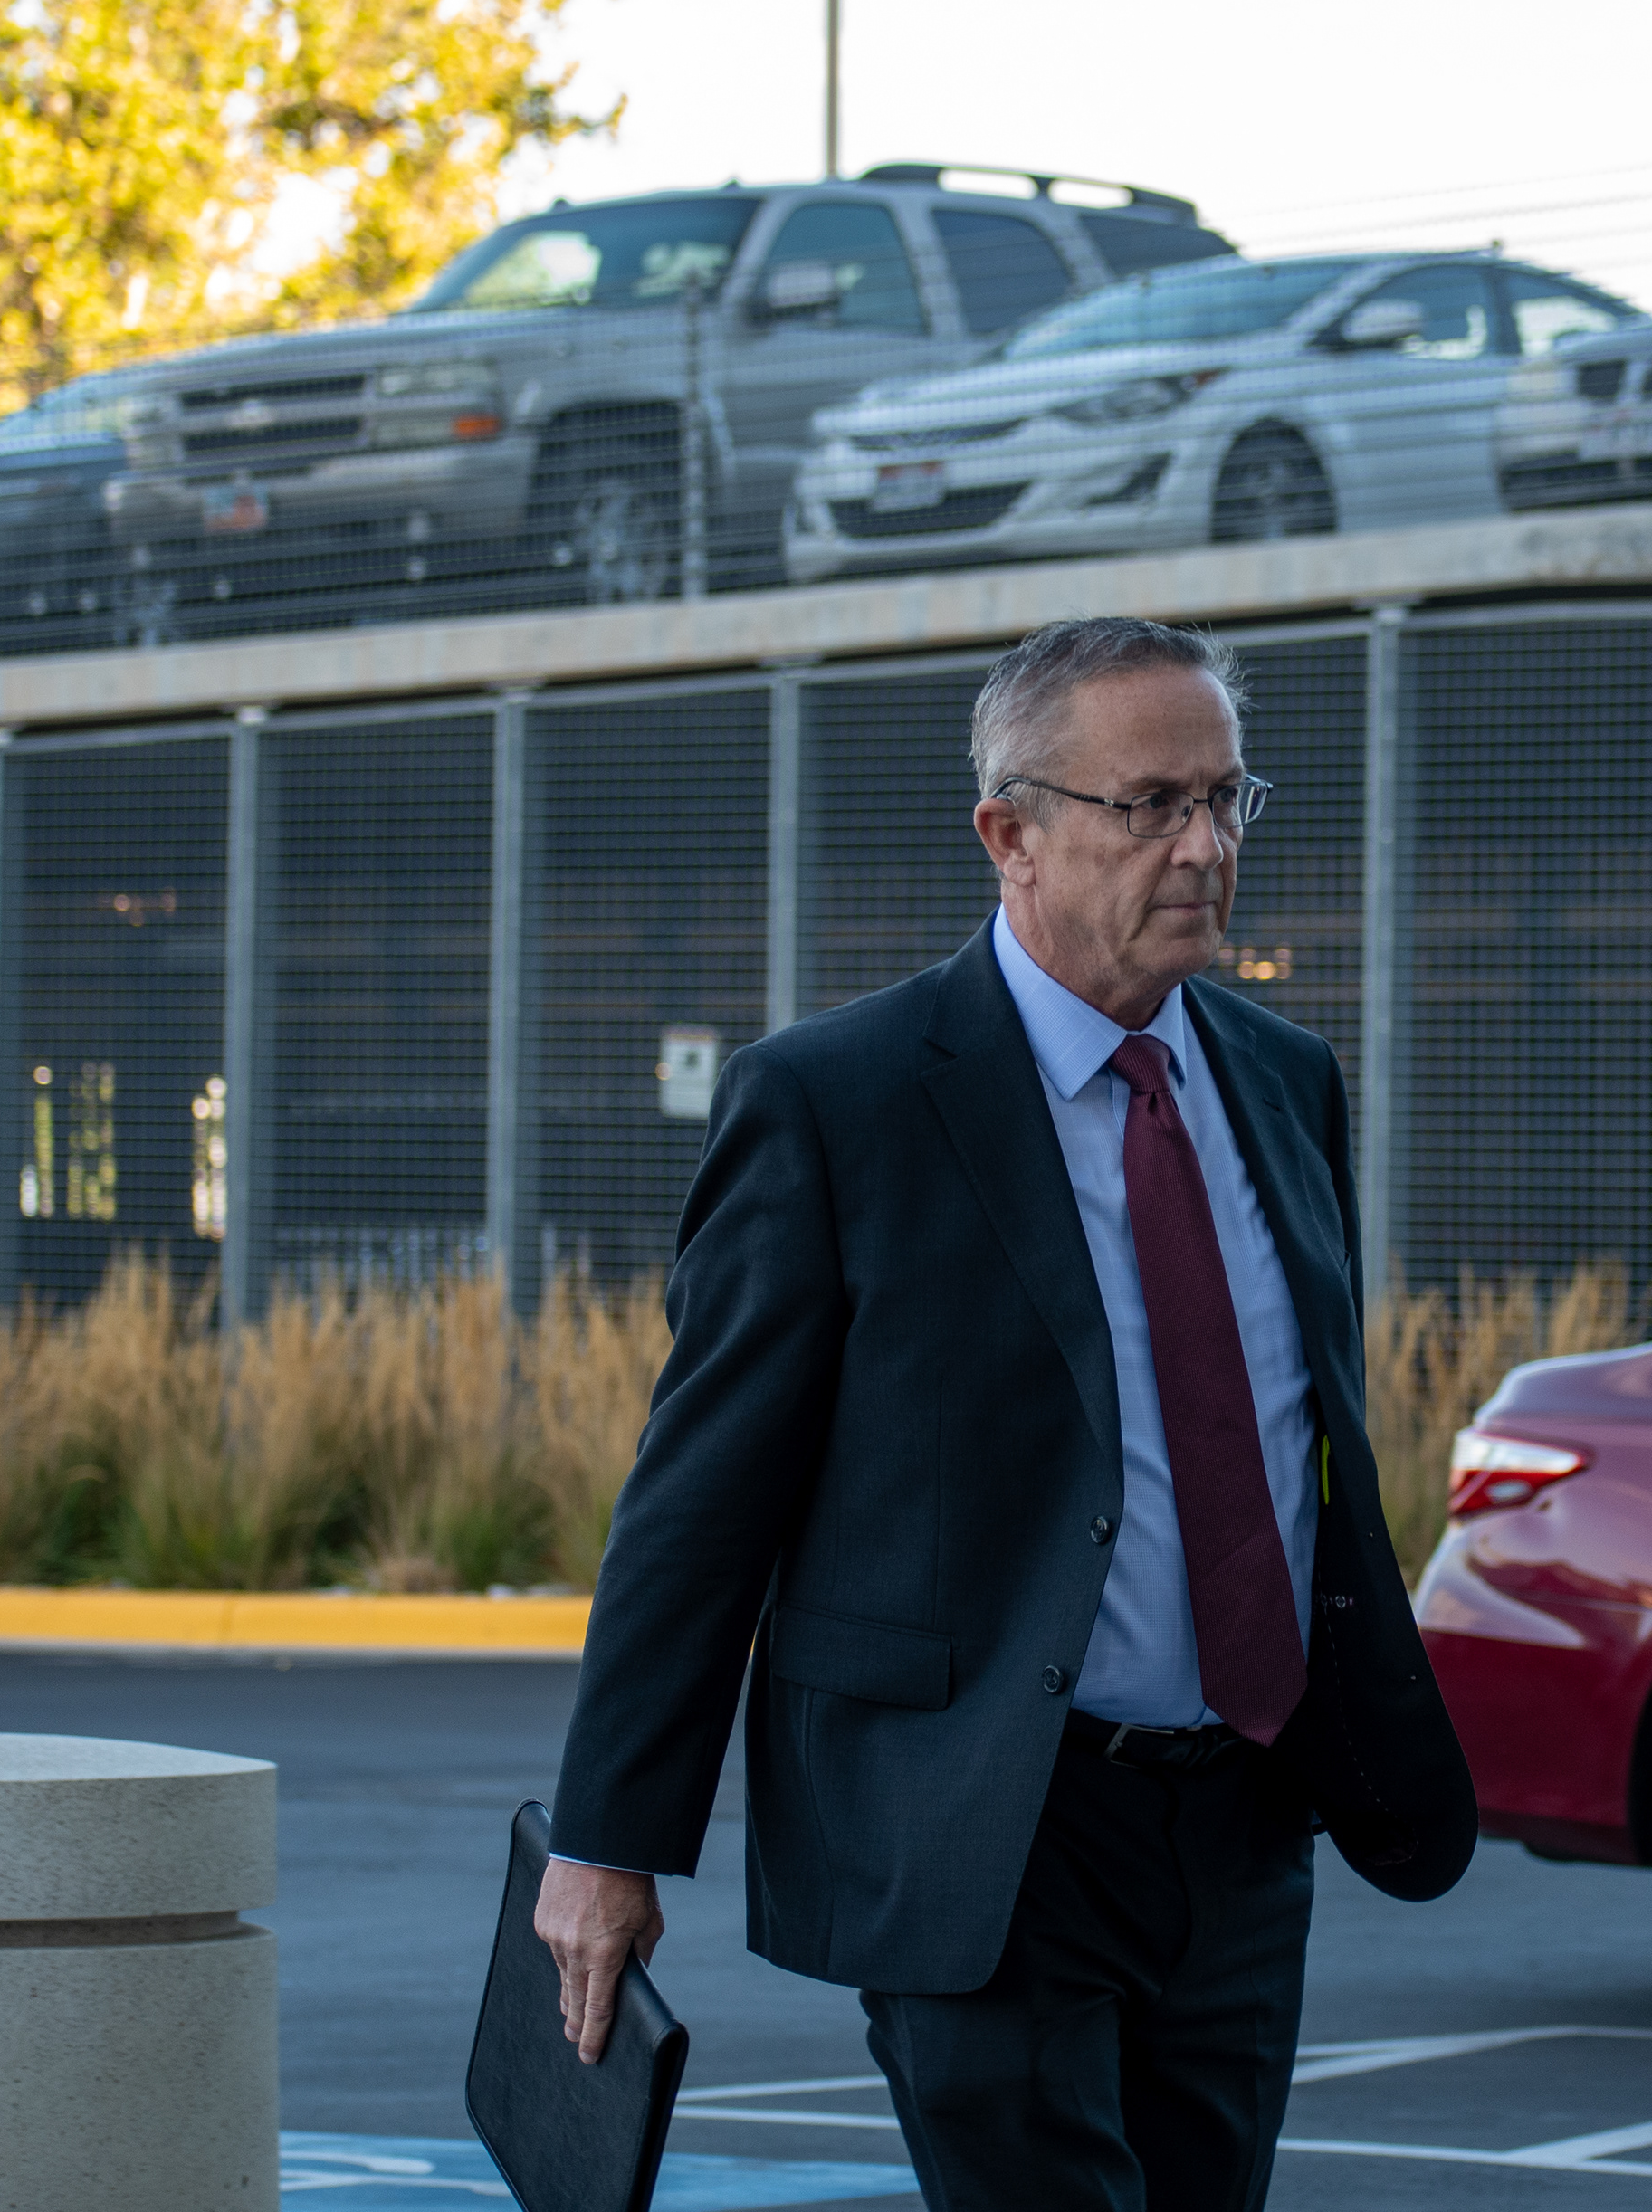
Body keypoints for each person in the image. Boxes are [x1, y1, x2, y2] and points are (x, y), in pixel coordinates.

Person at [538, 616, 1473, 2209]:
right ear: (1011, 833)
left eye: (1230, 800)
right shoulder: (837, 1102)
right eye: (1152, 804)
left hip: (1243, 1817)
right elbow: (703, 1498)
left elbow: (1297, 1439)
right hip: (990, 1818)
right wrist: (607, 1839)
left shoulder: (1286, 1081)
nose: (1205, 845)